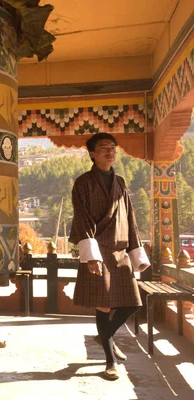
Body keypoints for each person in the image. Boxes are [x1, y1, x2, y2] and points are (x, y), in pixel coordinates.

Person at [69, 133, 149, 380]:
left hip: (120, 252)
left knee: (132, 303)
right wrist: (91, 256)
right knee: (103, 306)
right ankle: (110, 362)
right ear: (92, 153)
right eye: (103, 148)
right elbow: (82, 219)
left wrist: (137, 253)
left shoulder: (121, 182)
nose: (109, 151)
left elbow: (131, 218)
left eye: (112, 147)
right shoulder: (82, 183)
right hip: (98, 250)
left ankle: (105, 335)